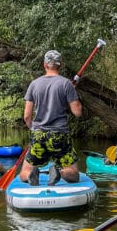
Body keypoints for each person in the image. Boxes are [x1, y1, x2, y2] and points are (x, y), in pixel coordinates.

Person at [19, 49, 83, 186]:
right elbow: (77, 112)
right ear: (61, 65)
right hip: (60, 135)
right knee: (74, 174)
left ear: (44, 65)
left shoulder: (34, 84)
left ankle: (31, 174)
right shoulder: (66, 84)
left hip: (39, 134)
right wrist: (71, 92)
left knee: (24, 172)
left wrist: (33, 130)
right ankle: (59, 172)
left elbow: (27, 116)